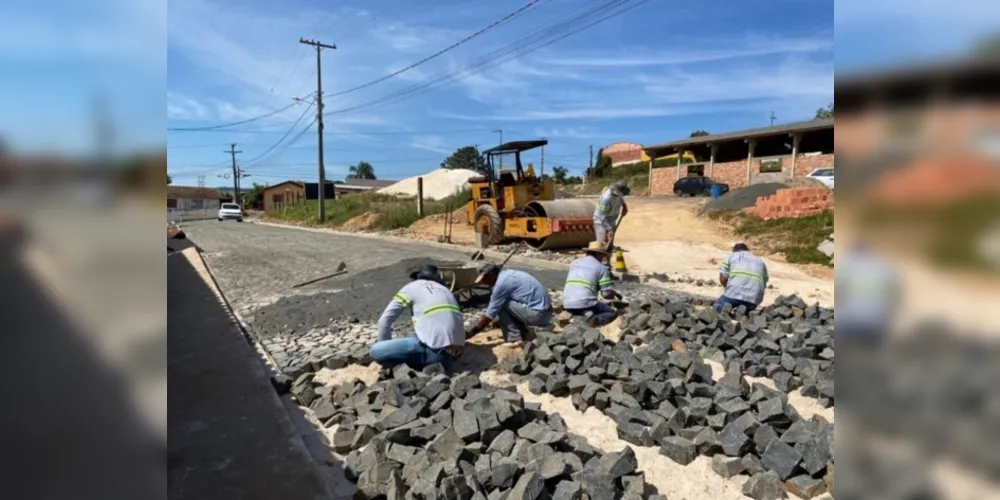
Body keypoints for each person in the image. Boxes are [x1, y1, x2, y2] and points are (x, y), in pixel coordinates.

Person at [369, 264, 465, 370]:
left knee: (376, 350)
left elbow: (384, 321)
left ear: (417, 278)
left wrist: (386, 347)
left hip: (436, 354)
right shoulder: (445, 289)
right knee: (414, 335)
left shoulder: (412, 287)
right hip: (457, 352)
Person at [467, 262, 553, 343]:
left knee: (501, 304)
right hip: (546, 312)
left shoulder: (501, 284)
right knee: (501, 303)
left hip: (539, 315)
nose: (483, 283)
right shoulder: (507, 275)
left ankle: (513, 339)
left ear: (491, 275)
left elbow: (490, 314)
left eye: (484, 278)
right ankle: (524, 332)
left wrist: (472, 332)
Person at [562, 241, 622, 326]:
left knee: (581, 308)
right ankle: (592, 320)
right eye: (602, 256)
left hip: (567, 303)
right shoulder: (601, 268)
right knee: (611, 313)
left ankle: (576, 316)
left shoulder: (575, 263)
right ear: (598, 254)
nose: (603, 258)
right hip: (585, 303)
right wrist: (613, 294)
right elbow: (606, 294)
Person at [714, 243, 769, 313]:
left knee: (717, 305)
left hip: (733, 295)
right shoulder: (760, 261)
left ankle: (728, 315)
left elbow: (723, 279)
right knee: (746, 311)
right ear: (747, 250)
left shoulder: (731, 256)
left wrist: (728, 289)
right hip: (754, 300)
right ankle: (746, 312)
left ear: (734, 251)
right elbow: (764, 282)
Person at [593, 179, 630, 256]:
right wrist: (609, 229)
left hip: (612, 219)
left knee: (610, 241)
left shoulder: (618, 194)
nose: (621, 196)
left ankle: (608, 256)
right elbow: (601, 216)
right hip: (601, 221)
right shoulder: (606, 198)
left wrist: (624, 206)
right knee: (601, 243)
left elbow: (621, 199)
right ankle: (600, 259)